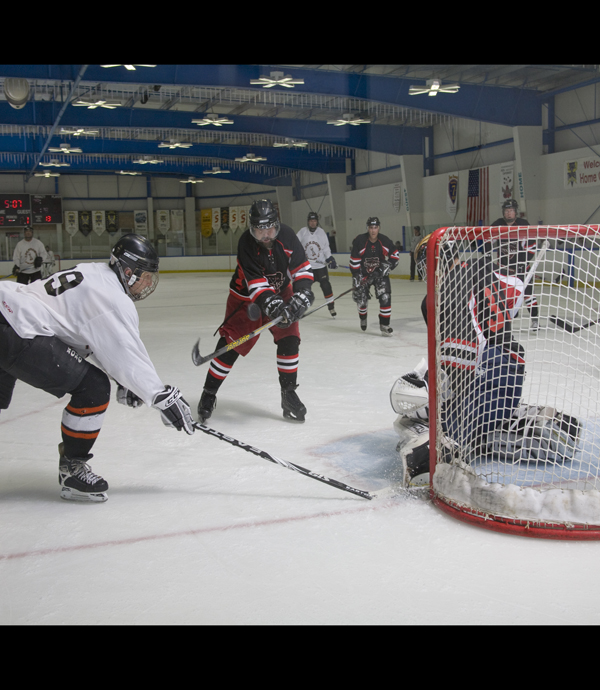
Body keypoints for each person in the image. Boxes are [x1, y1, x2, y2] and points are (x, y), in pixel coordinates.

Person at [0, 233, 195, 503]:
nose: (148, 283)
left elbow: (95, 340)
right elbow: (125, 351)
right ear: (128, 271)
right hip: (19, 329)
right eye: (145, 276)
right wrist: (158, 395)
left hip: (7, 310)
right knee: (93, 388)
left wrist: (125, 381)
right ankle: (72, 470)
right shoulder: (112, 297)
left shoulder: (94, 272)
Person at [197, 199, 314, 424]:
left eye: (269, 228)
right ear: (252, 229)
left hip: (281, 291)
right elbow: (256, 285)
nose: (266, 235)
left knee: (290, 339)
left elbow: (302, 268)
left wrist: (302, 294)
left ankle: (288, 394)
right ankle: (208, 394)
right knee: (231, 347)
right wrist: (273, 304)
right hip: (245, 299)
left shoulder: (288, 236)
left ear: (276, 225)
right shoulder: (246, 244)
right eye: (260, 230)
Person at [490, 199, 539, 330]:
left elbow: (532, 247)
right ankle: (510, 315)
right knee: (502, 294)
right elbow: (487, 240)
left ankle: (535, 319)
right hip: (503, 269)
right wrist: (487, 254)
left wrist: (524, 262)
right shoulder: (498, 224)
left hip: (521, 268)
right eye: (507, 211)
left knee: (528, 294)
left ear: (515, 212)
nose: (509, 214)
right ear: (503, 213)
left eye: (511, 211)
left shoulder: (523, 224)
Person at [349, 217, 400, 336]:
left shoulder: (384, 241)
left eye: (375, 228)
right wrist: (356, 276)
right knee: (361, 300)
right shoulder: (360, 241)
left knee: (385, 297)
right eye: (371, 228)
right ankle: (363, 316)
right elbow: (354, 261)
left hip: (379, 275)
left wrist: (387, 266)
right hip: (363, 274)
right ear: (368, 228)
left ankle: (384, 324)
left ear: (379, 228)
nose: (373, 231)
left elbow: (395, 255)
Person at [297, 211, 337, 317]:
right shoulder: (302, 232)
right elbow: (295, 244)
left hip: (320, 267)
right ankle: (299, 309)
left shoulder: (321, 232)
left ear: (317, 222)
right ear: (308, 222)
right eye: (311, 221)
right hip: (307, 267)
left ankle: (331, 307)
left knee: (326, 285)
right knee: (303, 289)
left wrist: (329, 258)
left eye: (314, 221)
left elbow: (325, 247)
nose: (313, 223)